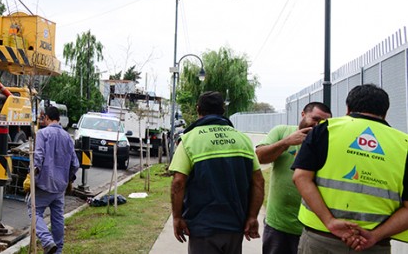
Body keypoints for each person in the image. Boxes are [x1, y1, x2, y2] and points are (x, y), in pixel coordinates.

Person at [292, 84, 408, 253]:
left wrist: (330, 221)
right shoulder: (404, 145)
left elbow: (300, 177)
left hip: (321, 240)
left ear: (348, 108)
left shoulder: (325, 130)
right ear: (385, 113)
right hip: (373, 246)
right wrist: (375, 235)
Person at [170, 91, 264, 253]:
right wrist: (252, 216)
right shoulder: (243, 139)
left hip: (203, 228)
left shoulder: (189, 139)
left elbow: (178, 182)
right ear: (223, 110)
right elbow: (259, 182)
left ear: (198, 109)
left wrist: (177, 217)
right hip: (235, 225)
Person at [255, 102, 332, 254]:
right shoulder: (282, 131)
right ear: (303, 114)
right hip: (278, 224)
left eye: (323, 122)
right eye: (315, 119)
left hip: (311, 227)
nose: (318, 125)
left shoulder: (328, 143)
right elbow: (260, 157)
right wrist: (286, 142)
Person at [31, 105, 79, 254]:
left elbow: (37, 157)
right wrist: (68, 179)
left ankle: (46, 241)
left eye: (42, 118)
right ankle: (57, 251)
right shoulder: (68, 137)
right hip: (60, 186)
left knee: (33, 211)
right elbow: (75, 164)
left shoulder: (42, 134)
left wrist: (32, 176)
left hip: (44, 184)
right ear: (58, 119)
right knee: (58, 219)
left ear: (46, 118)